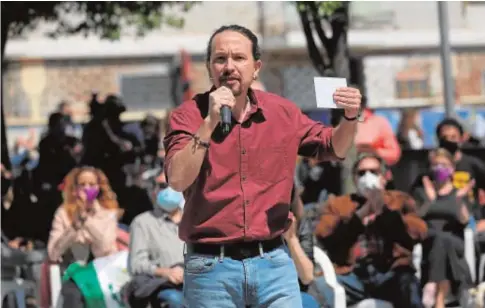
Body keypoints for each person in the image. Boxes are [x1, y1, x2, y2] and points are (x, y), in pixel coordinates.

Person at [164, 24, 362, 307]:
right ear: (209, 67)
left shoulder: (281, 112)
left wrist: (350, 118)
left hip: (273, 263)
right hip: (211, 269)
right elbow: (177, 180)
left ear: (256, 67)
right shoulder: (187, 116)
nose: (229, 66)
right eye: (220, 59)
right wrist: (208, 124)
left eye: (238, 58)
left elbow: (334, 147)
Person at [311, 153, 427, 308]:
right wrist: (360, 215)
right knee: (319, 288)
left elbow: (419, 231)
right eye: (362, 173)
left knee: (409, 286)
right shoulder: (338, 204)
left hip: (391, 273)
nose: (367, 177)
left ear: (384, 177)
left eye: (374, 172)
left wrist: (382, 210)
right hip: (352, 274)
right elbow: (324, 234)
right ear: (354, 178)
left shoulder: (399, 200)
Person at [47, 166, 120, 308]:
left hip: (104, 272)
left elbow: (104, 248)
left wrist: (88, 221)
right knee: (73, 295)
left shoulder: (108, 214)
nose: (87, 189)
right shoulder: (63, 213)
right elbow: (53, 253)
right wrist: (74, 226)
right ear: (75, 188)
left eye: (92, 185)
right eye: (82, 184)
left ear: (99, 187)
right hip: (75, 273)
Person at [414, 149, 474, 308]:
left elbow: (465, 221)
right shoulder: (422, 191)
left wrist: (460, 200)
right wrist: (429, 201)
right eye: (436, 164)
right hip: (429, 243)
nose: (439, 168)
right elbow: (416, 219)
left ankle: (432, 285)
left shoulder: (459, 193)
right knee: (440, 239)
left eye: (444, 165)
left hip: (455, 242)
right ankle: (441, 299)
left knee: (444, 239)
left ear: (453, 168)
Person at [127, 187, 185, 308]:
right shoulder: (142, 222)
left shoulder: (194, 219)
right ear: (154, 190)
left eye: (174, 184)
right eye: (163, 185)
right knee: (175, 300)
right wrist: (166, 272)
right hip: (166, 285)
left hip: (198, 282)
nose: (169, 189)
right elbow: (136, 264)